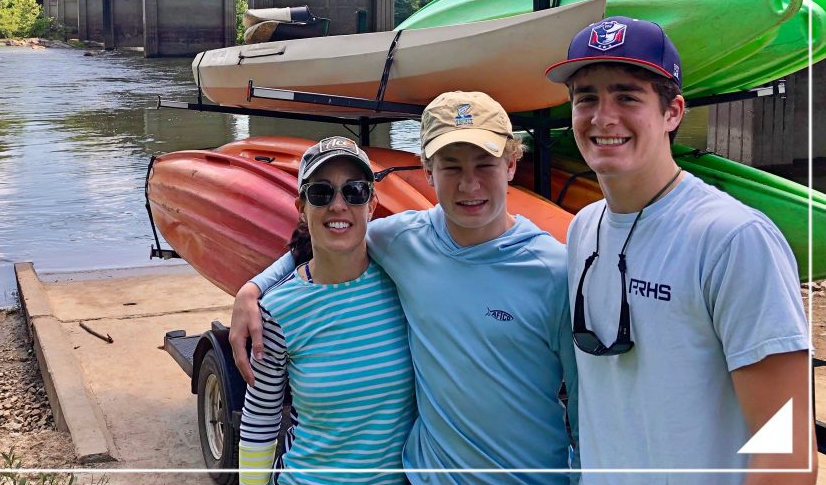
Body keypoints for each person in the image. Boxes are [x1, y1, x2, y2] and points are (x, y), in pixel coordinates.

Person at [232, 92, 579, 485]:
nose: (469, 184)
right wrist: (254, 288)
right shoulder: (404, 241)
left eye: (485, 164)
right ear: (427, 172)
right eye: (450, 167)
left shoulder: (555, 270)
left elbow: (589, 407)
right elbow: (332, 240)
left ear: (512, 165)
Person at [544, 15, 815, 484]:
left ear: (673, 112)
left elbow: (787, 450)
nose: (602, 117)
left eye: (627, 96)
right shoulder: (584, 228)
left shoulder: (733, 239)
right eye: (586, 98)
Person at [237, 136, 415, 485]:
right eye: (321, 193)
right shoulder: (276, 310)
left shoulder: (404, 283)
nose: (338, 205)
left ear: (372, 205)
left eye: (354, 191)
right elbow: (260, 419)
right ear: (301, 208)